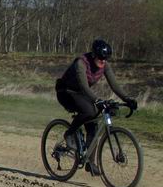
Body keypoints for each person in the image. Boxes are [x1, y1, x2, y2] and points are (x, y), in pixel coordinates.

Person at [55, 39, 137, 174]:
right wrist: (98, 100)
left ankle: (89, 162)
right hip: (66, 92)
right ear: (93, 55)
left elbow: (114, 85)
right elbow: (84, 86)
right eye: (100, 59)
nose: (103, 62)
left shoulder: (104, 64)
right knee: (88, 111)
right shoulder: (81, 63)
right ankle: (69, 134)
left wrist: (127, 99)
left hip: (81, 93)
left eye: (105, 59)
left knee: (93, 125)